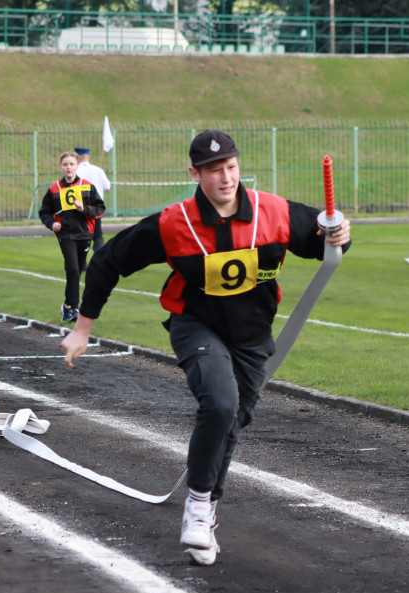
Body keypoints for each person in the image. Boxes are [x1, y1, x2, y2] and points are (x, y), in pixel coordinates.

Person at [60, 130, 351, 566]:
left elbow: (327, 239)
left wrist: (339, 232)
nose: (225, 177)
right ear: (195, 174)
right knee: (219, 403)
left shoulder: (273, 211)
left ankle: (207, 506)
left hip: (253, 335)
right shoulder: (173, 222)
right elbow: (109, 260)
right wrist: (83, 328)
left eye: (231, 167)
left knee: (234, 418)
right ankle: (196, 507)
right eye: (214, 170)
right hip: (196, 325)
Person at [39, 151, 106, 324]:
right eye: (65, 164)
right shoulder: (54, 189)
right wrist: (51, 223)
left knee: (79, 268)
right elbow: (44, 212)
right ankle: (74, 308)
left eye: (71, 164)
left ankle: (67, 305)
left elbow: (100, 208)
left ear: (77, 166)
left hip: (84, 234)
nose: (68, 167)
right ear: (60, 167)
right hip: (65, 234)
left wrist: (84, 209)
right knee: (73, 269)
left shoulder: (87, 186)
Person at [75, 147, 112, 252]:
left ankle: (81, 264)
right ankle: (99, 260)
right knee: (98, 235)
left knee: (81, 235)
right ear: (88, 156)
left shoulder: (76, 171)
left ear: (77, 157)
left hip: (80, 207)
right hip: (96, 208)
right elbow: (108, 187)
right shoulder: (98, 170)